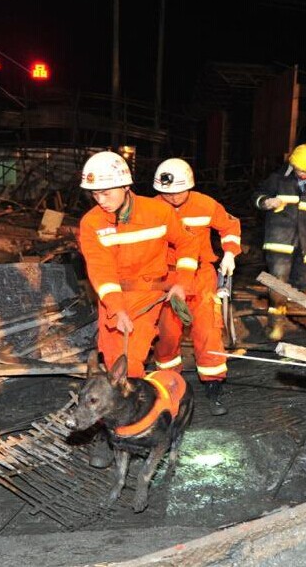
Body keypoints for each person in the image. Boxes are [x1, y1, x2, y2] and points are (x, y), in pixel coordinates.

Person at [77, 151, 200, 465]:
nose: (99, 199)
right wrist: (116, 309)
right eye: (94, 193)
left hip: (153, 292)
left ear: (125, 187)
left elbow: (188, 243)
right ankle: (110, 431)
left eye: (106, 192)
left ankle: (150, 420)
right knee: (116, 361)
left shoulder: (157, 212)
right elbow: (101, 272)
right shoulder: (91, 223)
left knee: (146, 356)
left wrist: (181, 281)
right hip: (116, 297)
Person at [151, 158, 241, 416]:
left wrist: (230, 253)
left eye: (179, 191)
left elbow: (229, 226)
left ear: (189, 186)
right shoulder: (151, 208)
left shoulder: (205, 204)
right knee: (167, 332)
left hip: (201, 275)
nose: (174, 197)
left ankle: (213, 384)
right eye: (167, 193)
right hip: (167, 277)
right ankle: (169, 383)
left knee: (208, 329)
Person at [252, 143, 306, 340]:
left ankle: (283, 301)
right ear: (292, 164)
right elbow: (256, 196)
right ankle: (276, 322)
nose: (304, 174)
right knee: (279, 281)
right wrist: (266, 202)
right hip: (279, 240)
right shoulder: (277, 180)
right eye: (300, 169)